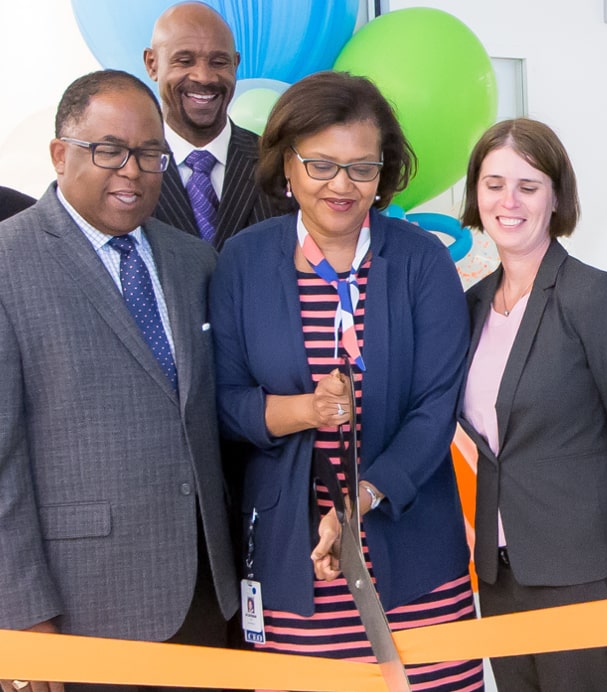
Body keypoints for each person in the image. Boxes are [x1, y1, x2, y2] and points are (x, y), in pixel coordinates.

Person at [209, 70, 484, 691]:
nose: (342, 185)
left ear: (383, 174)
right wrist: (305, 410)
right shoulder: (243, 262)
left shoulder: (420, 260)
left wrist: (359, 501)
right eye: (322, 165)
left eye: (363, 168)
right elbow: (222, 403)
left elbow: (435, 408)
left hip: (412, 552)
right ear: (286, 166)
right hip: (291, 556)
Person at [0, 69, 238, 692]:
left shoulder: (194, 261)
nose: (132, 170)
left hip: (209, 597)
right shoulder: (5, 263)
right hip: (84, 611)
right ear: (60, 153)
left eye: (150, 153)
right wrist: (22, 617)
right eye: (109, 150)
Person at [460, 117, 607, 691]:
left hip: (584, 571)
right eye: (493, 183)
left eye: (528, 187)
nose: (509, 201)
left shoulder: (595, 296)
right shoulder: (473, 304)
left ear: (556, 197)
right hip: (501, 573)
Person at [143, 1, 292, 251]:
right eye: (185, 60)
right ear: (152, 64)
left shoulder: (279, 164)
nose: (204, 76)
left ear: (236, 64)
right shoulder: (127, 168)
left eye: (219, 62)